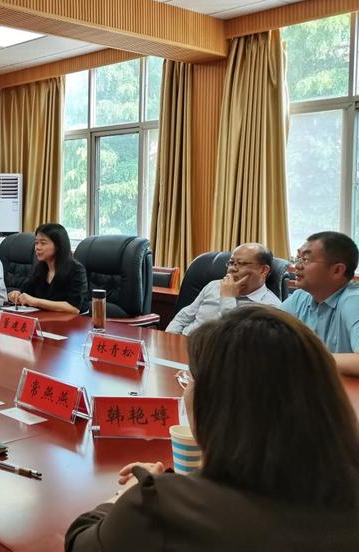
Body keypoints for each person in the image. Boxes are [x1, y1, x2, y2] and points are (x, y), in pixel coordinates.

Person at [65, 305, 359, 551]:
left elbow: (81, 541)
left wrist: (129, 493)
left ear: (223, 405)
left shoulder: (160, 507)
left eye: (191, 379)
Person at [282, 231, 359, 376]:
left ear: (337, 270)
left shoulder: (354, 301)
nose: (297, 266)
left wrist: (303, 359)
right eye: (297, 259)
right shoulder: (300, 296)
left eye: (305, 260)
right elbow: (266, 330)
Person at [166, 243, 281, 335]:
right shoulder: (214, 285)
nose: (232, 269)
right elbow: (183, 317)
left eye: (241, 264)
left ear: (263, 270)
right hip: (185, 343)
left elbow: (232, 338)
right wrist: (171, 339)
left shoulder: (270, 307)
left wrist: (227, 297)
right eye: (231, 263)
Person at [7, 223, 89, 314]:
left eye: (43, 243)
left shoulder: (76, 270)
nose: (37, 248)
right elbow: (26, 293)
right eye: (36, 243)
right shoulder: (40, 268)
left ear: (58, 246)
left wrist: (35, 301)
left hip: (73, 321)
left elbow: (74, 308)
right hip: (46, 318)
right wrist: (17, 295)